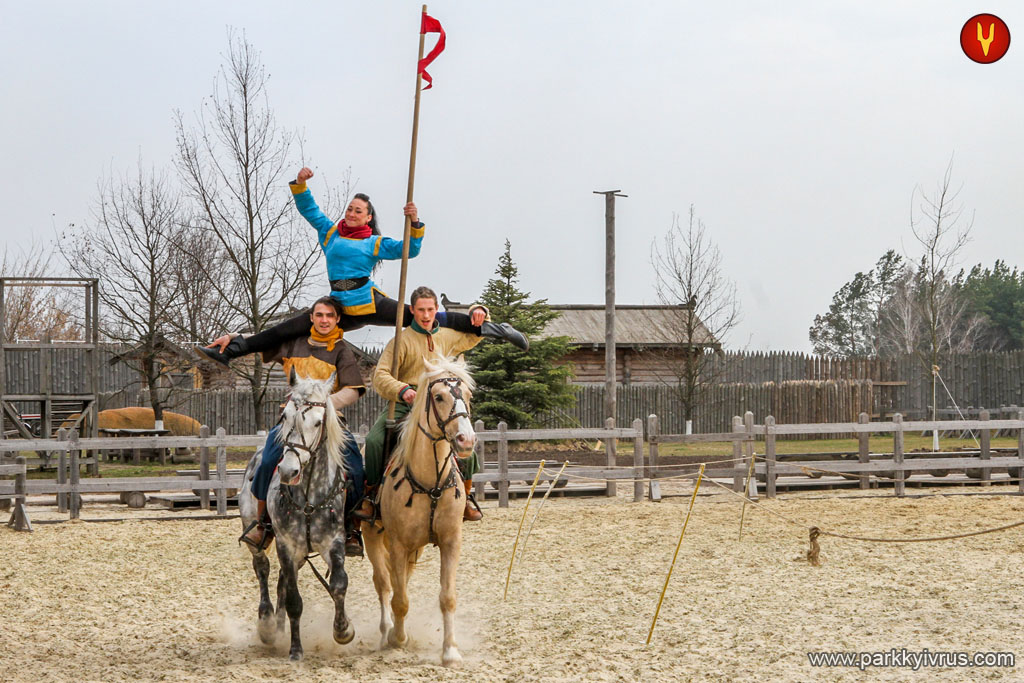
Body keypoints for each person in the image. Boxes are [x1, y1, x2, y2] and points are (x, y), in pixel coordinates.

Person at [195, 167, 527, 366]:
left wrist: (415, 221)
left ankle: (495, 328)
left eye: (358, 211)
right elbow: (309, 209)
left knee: (424, 317)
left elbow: (411, 250)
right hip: (339, 306)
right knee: (288, 328)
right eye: (350, 209)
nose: (352, 213)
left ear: (368, 217)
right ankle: (233, 349)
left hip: (369, 302)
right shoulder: (331, 234)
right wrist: (300, 183)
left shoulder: (374, 243)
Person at [241, 296, 368, 556]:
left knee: (355, 468)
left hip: (327, 421)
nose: (324, 320)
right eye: (319, 315)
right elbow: (260, 342)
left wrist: (322, 405)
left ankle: (351, 529)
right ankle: (263, 525)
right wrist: (236, 339)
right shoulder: (293, 343)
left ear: (337, 320)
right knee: (266, 463)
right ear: (311, 317)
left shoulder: (341, 350)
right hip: (292, 421)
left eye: (329, 316)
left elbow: (354, 390)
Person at [358, 285, 485, 523]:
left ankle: (465, 498)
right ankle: (372, 495)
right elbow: (380, 375)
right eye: (420, 310)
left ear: (436, 309)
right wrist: (402, 389)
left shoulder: (447, 336)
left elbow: (474, 335)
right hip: (407, 403)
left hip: (440, 403)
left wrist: (480, 311)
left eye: (430, 309)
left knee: (465, 441)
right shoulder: (401, 341)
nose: (426, 315)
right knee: (375, 441)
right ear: (412, 311)